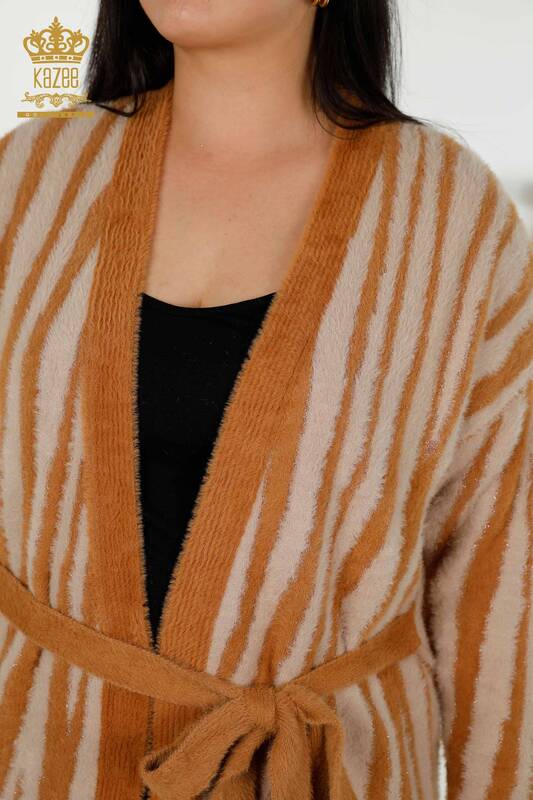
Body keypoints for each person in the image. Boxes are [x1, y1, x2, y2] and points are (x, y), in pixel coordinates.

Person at [0, 1, 531, 798]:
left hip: (330, 766)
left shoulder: (447, 213)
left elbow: (501, 565)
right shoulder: (29, 178)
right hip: (43, 756)